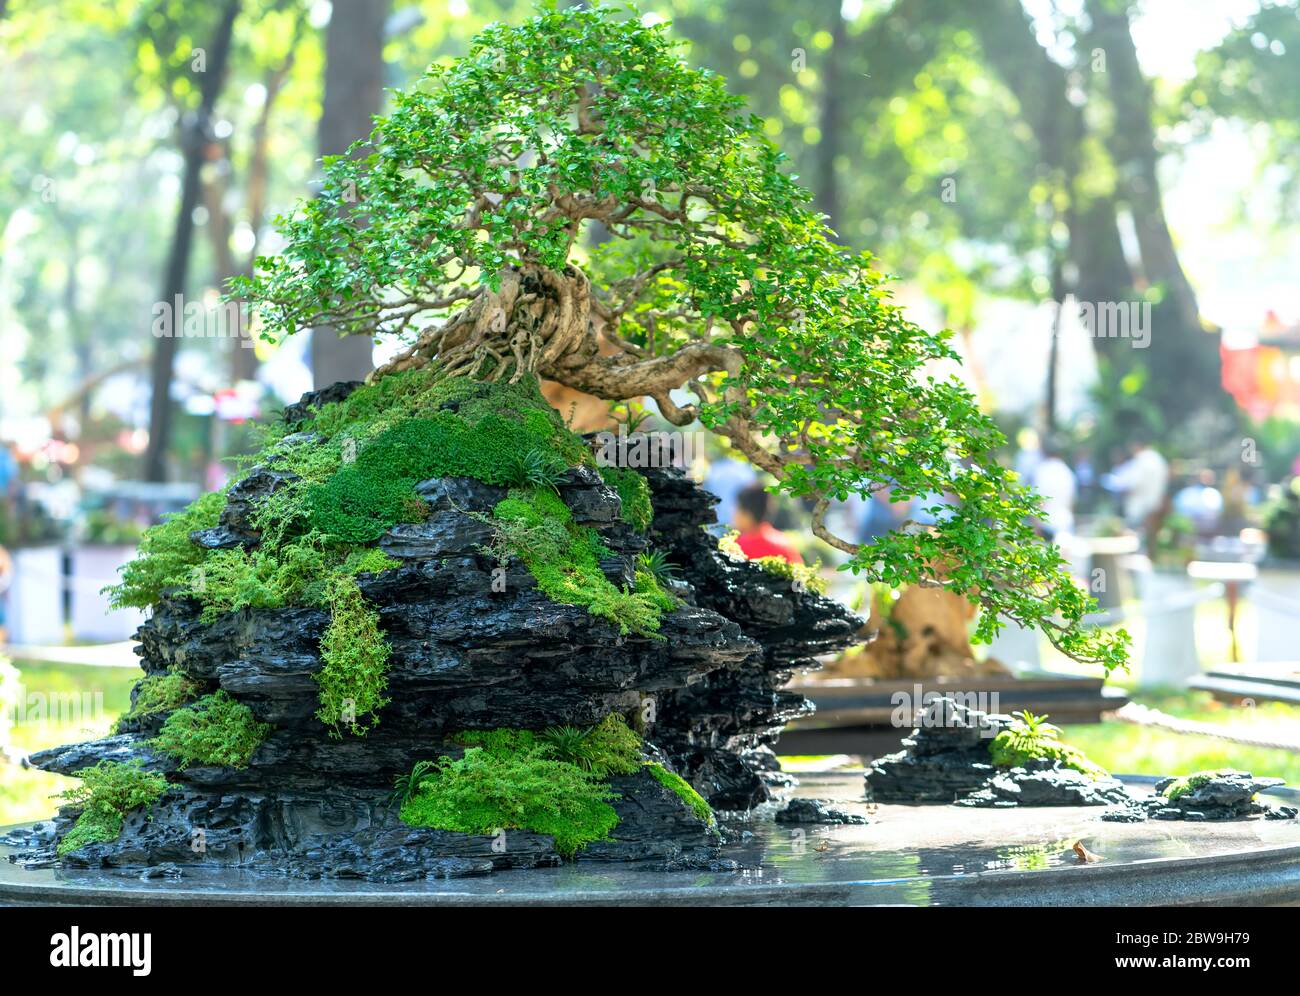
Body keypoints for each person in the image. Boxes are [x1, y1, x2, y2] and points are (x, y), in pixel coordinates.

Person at [732, 484, 802, 564]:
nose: (734, 514)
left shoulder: (737, 547)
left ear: (748, 514)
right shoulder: (784, 544)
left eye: (737, 509)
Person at [1032, 444, 1077, 542]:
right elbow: (1071, 502)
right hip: (1065, 523)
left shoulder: (1042, 470)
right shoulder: (1067, 472)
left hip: (1046, 525)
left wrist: (1035, 526)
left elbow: (1038, 500)